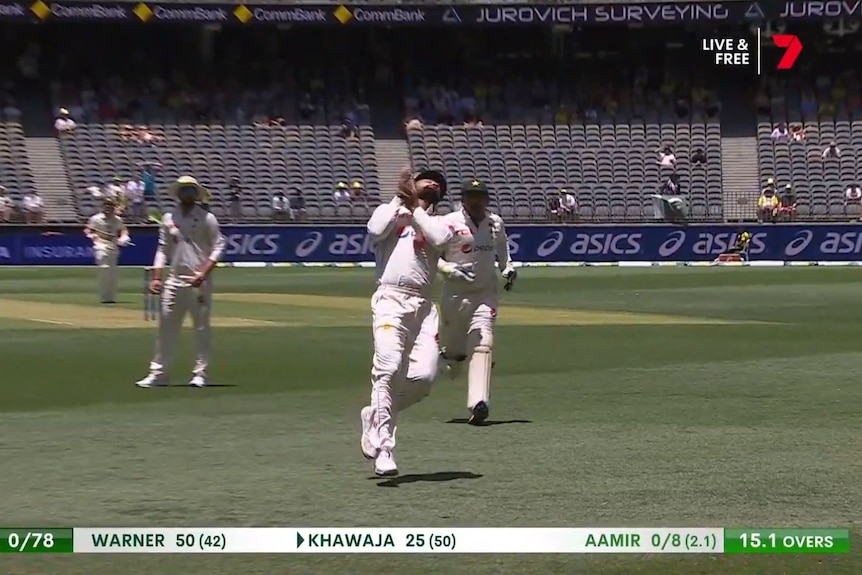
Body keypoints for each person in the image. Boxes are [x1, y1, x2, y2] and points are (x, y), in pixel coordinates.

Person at [360, 166, 454, 477]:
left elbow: (441, 239)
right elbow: (374, 230)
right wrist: (400, 201)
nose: (433, 183)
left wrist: (415, 209)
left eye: (438, 183)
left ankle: (375, 414)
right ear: (412, 184)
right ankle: (384, 448)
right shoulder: (389, 212)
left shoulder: (439, 221)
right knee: (388, 369)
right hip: (391, 299)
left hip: (424, 307)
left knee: (424, 378)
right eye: (427, 179)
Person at [438, 179, 517, 425]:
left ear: (486, 199)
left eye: (480, 196)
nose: (476, 201)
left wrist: (507, 268)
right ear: (463, 199)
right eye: (471, 196)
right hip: (455, 295)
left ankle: (479, 403)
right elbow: (432, 257)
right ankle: (450, 358)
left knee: (483, 343)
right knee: (455, 355)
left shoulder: (495, 223)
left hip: (485, 293)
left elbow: (502, 250)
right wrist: (447, 269)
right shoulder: (448, 222)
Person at [136, 176, 225, 389]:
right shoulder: (169, 218)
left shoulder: (207, 218)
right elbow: (162, 249)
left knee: (201, 328)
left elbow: (219, 246)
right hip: (174, 280)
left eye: (191, 190)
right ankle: (159, 374)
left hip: (198, 282)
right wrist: (156, 277)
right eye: (184, 190)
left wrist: (203, 272)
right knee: (166, 328)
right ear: (177, 194)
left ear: (196, 194)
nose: (187, 194)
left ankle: (201, 373)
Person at [84, 197, 130, 303]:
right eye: (107, 205)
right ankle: (103, 296)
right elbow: (88, 229)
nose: (109, 208)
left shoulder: (117, 219)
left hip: (113, 246)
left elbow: (123, 230)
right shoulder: (96, 218)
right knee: (104, 267)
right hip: (100, 244)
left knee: (112, 273)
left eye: (111, 206)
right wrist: (92, 235)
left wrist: (124, 237)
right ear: (103, 207)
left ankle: (110, 297)